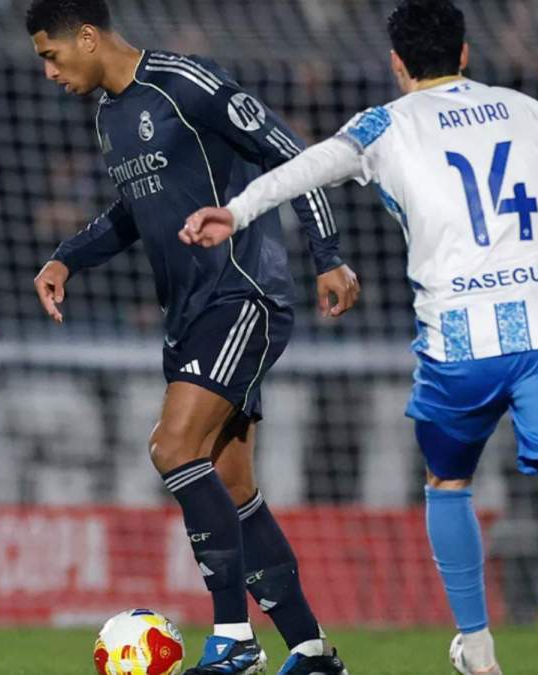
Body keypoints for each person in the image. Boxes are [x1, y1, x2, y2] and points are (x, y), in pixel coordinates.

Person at [179, 1, 538, 673]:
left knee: (448, 481)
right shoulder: (532, 113)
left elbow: (303, 168)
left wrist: (234, 212)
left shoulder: (387, 123)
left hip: (459, 345)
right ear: (466, 53)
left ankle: (477, 647)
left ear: (397, 63)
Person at [25, 1, 360, 673]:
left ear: (87, 37)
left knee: (172, 445)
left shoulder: (186, 83)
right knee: (232, 484)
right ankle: (311, 649)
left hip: (242, 293)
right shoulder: (109, 117)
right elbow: (134, 210)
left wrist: (329, 254)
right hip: (188, 313)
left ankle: (234, 638)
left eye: (52, 56)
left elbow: (294, 154)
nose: (49, 72)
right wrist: (68, 257)